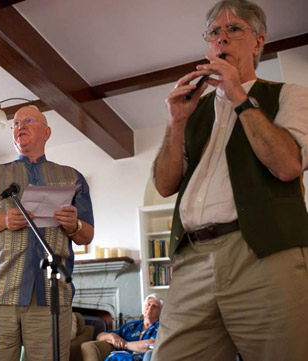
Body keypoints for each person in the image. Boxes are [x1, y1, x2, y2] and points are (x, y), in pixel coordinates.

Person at [152, 1, 308, 360]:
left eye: (234, 29)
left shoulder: (288, 95)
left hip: (264, 253)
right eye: (213, 33)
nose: (222, 38)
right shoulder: (193, 110)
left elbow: (287, 165)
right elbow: (164, 185)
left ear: (258, 42)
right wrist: (176, 122)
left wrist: (239, 94)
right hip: (192, 258)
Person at [0, 105, 94, 361]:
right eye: (15, 124)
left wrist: (73, 224)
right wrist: (4, 219)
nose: (20, 126)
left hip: (51, 296)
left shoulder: (71, 177)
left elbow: (86, 235)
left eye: (28, 121)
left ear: (47, 132)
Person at [95, 294, 161, 361]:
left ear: (160, 312)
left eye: (154, 306)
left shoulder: (160, 327)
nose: (150, 308)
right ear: (143, 308)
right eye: (148, 304)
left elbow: (151, 345)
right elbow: (99, 337)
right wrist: (112, 336)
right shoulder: (131, 326)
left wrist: (126, 344)